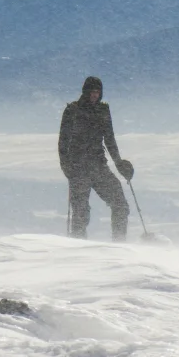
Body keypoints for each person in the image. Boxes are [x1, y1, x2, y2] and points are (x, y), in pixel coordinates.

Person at [58, 76, 134, 240]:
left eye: (97, 92)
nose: (95, 95)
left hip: (98, 166)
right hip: (79, 169)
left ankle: (119, 244)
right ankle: (78, 247)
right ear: (85, 92)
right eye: (92, 92)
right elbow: (63, 142)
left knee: (120, 204)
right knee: (81, 212)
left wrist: (119, 163)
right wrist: (66, 166)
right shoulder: (72, 110)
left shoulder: (102, 110)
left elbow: (109, 139)